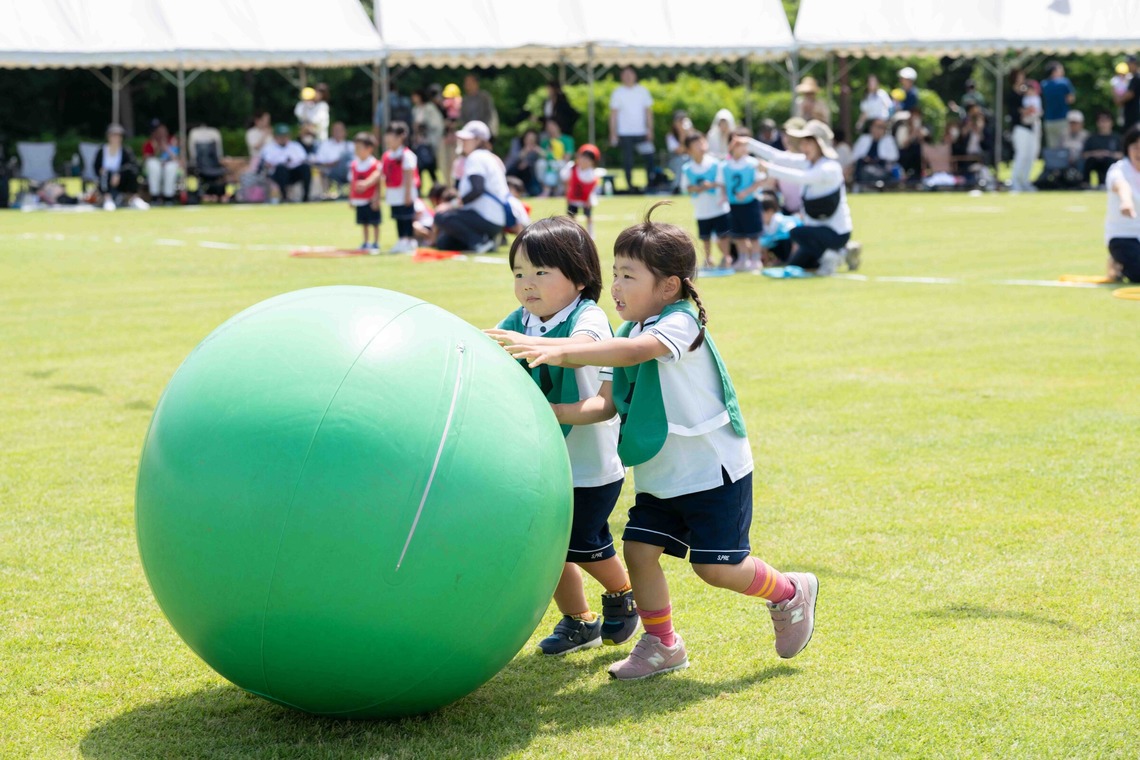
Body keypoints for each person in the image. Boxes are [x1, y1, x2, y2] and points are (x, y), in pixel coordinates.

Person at [506, 204, 819, 680]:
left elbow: (637, 352)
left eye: (628, 276)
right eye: (614, 275)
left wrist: (561, 348)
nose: (615, 287)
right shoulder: (628, 329)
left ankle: (789, 592)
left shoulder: (680, 323)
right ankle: (662, 644)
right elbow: (612, 392)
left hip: (711, 471)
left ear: (668, 286)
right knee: (637, 550)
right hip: (659, 473)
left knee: (716, 569)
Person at [483, 217, 638, 656]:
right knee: (547, 550)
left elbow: (585, 352)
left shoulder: (588, 318)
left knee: (585, 543)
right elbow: (491, 344)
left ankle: (622, 591)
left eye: (540, 273)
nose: (526, 285)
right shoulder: (523, 320)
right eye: (518, 274)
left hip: (591, 465)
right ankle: (578, 620)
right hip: (542, 463)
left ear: (579, 275)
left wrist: (538, 354)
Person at [743, 120, 858, 277]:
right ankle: (845, 252)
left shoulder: (829, 168)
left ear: (819, 144)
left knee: (797, 233)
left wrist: (769, 169)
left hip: (836, 233)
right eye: (803, 143)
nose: (804, 148)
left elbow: (803, 178)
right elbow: (778, 156)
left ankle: (838, 254)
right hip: (815, 232)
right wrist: (748, 143)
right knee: (796, 264)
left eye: (808, 143)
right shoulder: (808, 163)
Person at [434, 120, 509, 252]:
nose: (462, 142)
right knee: (444, 243)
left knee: (441, 216)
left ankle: (480, 242)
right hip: (493, 219)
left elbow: (477, 189)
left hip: (486, 217)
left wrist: (452, 205)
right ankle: (484, 240)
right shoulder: (488, 157)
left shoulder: (476, 157)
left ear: (479, 140)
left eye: (467, 139)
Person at [681, 132, 732, 269]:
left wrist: (710, 185)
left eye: (701, 142)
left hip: (718, 206)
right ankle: (708, 258)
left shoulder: (716, 164)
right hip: (701, 209)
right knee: (705, 237)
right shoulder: (687, 168)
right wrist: (696, 188)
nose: (700, 146)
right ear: (689, 150)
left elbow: (722, 182)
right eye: (696, 144)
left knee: (723, 235)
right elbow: (685, 187)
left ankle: (726, 257)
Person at [721, 127, 765, 270]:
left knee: (754, 235)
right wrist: (724, 197)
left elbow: (759, 181)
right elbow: (722, 184)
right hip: (734, 205)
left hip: (750, 203)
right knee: (738, 235)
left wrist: (746, 192)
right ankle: (742, 259)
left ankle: (756, 260)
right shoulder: (725, 165)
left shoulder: (752, 163)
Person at [609, 67, 656, 191]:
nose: (628, 77)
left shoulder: (642, 91)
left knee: (649, 157)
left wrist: (650, 129)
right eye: (625, 74)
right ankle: (630, 185)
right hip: (625, 133)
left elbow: (648, 112)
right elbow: (613, 114)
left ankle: (650, 183)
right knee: (628, 161)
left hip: (641, 132)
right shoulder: (618, 92)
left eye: (630, 74)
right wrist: (613, 133)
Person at [1105, 124, 1140, 283]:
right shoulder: (1118, 169)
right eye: (1135, 147)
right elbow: (1121, 185)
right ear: (1128, 148)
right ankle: (1117, 263)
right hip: (1123, 237)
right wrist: (1126, 201)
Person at [380, 121, 419, 254]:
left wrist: (408, 194)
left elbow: (409, 175)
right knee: (398, 217)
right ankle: (402, 239)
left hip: (404, 192)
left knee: (407, 217)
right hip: (393, 192)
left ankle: (408, 240)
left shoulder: (407, 155)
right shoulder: (388, 155)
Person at [94, 124, 145, 211]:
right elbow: (96, 166)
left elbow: (133, 165)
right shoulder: (102, 150)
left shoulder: (126, 150)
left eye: (118, 136)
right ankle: (108, 199)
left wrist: (118, 173)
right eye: (113, 136)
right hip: (106, 180)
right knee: (104, 172)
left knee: (131, 171)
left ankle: (134, 198)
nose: (116, 138)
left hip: (121, 179)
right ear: (108, 137)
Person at [561, 144, 605, 238]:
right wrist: (567, 193)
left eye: (588, 159)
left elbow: (592, 188)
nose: (585, 161)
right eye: (583, 157)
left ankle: (590, 233)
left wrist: (589, 199)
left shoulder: (592, 174)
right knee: (571, 216)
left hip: (586, 198)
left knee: (588, 215)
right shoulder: (572, 168)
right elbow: (565, 179)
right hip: (573, 197)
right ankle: (573, 233)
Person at [1009, 71, 1042, 192]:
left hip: (1031, 128)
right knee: (1021, 155)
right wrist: (1024, 111)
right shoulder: (1012, 95)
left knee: (1030, 156)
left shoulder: (1026, 93)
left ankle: (1025, 181)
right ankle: (1015, 182)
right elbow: (1015, 111)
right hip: (1020, 128)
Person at [348, 132, 381, 251]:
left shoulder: (375, 164)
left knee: (374, 222)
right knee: (364, 222)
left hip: (371, 199)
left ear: (369, 149)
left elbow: (378, 184)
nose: (357, 151)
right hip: (359, 200)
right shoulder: (354, 165)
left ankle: (376, 242)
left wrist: (377, 198)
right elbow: (352, 182)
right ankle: (365, 242)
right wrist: (351, 198)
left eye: (359, 148)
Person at [260, 124, 310, 202]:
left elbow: (303, 159)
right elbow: (268, 163)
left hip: (293, 172)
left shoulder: (295, 146)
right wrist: (283, 161)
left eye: (285, 135)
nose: (283, 138)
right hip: (277, 173)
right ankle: (284, 197)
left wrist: (291, 161)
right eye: (281, 136)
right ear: (275, 137)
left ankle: (306, 197)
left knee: (306, 168)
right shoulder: (269, 148)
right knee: (281, 168)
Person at [850, 118, 900, 186]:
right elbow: (854, 156)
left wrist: (877, 159)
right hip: (864, 166)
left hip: (882, 167)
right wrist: (865, 159)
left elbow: (894, 156)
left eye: (882, 127)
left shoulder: (889, 140)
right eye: (877, 127)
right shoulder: (863, 139)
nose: (879, 130)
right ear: (871, 127)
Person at [142, 121, 181, 205]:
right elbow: (146, 158)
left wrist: (166, 148)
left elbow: (177, 158)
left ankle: (168, 197)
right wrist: (157, 148)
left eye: (163, 131)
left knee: (170, 167)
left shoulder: (173, 141)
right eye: (159, 131)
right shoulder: (150, 143)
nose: (162, 134)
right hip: (156, 165)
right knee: (154, 166)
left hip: (169, 164)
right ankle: (155, 196)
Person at [1040, 62, 1077, 150]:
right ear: (1054, 71)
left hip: (1048, 120)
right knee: (1064, 146)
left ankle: (1053, 164)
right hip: (1062, 118)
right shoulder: (1064, 82)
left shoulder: (1043, 84)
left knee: (1052, 147)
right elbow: (1071, 99)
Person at [411, 89, 444, 186]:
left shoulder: (429, 108)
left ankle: (436, 185)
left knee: (430, 165)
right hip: (419, 141)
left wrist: (423, 126)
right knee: (419, 166)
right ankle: (419, 187)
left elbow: (436, 124)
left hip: (428, 141)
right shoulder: (415, 109)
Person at [1082, 112, 1123, 188]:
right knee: (1090, 161)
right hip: (1094, 161)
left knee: (1109, 161)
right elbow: (1084, 154)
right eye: (1101, 121)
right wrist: (1095, 154)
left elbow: (1122, 154)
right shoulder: (1091, 138)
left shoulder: (1117, 138)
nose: (1104, 124)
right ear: (1097, 123)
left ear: (1111, 123)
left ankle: (1108, 183)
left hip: (1110, 162)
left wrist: (1109, 154)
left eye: (1106, 121)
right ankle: (1086, 184)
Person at [312, 121, 352, 198]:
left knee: (347, 157)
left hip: (348, 171)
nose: (338, 132)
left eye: (340, 130)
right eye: (335, 130)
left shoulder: (350, 145)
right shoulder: (325, 145)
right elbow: (319, 161)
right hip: (330, 170)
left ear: (345, 132)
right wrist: (333, 163)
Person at [759, 195, 801, 266]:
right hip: (781, 250)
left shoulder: (783, 222)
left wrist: (792, 260)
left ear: (770, 211)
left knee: (785, 240)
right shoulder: (763, 225)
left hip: (792, 248)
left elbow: (796, 240)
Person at [539, 118, 575, 197]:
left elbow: (567, 157)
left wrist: (551, 157)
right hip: (549, 165)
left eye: (552, 125)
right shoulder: (545, 142)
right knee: (541, 164)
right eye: (548, 126)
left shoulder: (567, 139)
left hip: (561, 163)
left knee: (558, 165)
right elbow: (544, 157)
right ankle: (547, 189)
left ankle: (559, 189)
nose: (550, 128)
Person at [506, 128, 544, 197]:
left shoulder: (536, 148)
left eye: (532, 139)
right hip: (513, 171)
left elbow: (542, 158)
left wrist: (539, 151)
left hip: (530, 175)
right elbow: (513, 158)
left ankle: (525, 191)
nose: (530, 141)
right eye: (528, 138)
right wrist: (525, 151)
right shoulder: (517, 144)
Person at [664, 111, 692, 191]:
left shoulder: (691, 133)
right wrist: (682, 135)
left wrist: (690, 132)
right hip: (674, 161)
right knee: (682, 161)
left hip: (690, 159)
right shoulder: (671, 136)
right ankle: (677, 187)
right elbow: (679, 151)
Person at [1116, 56, 1140, 132]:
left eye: (1129, 64)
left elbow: (1130, 94)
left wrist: (1119, 100)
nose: (1128, 66)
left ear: (1134, 64)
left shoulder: (1136, 78)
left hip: (1134, 114)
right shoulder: (1133, 77)